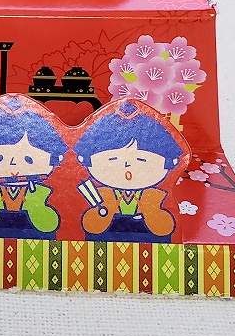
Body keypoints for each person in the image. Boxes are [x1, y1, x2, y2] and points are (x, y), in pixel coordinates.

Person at [74, 99, 186, 242]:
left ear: (170, 162)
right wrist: (102, 212)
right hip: (104, 238)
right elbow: (90, 226)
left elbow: (165, 228)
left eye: (142, 160)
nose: (127, 165)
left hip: (148, 239)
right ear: (86, 159)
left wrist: (151, 212)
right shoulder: (102, 195)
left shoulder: (154, 195)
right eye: (113, 159)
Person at [0, 96, 67, 238]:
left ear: (55, 160)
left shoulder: (40, 192)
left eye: (29, 160)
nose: (13, 165)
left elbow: (49, 224)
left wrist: (36, 207)